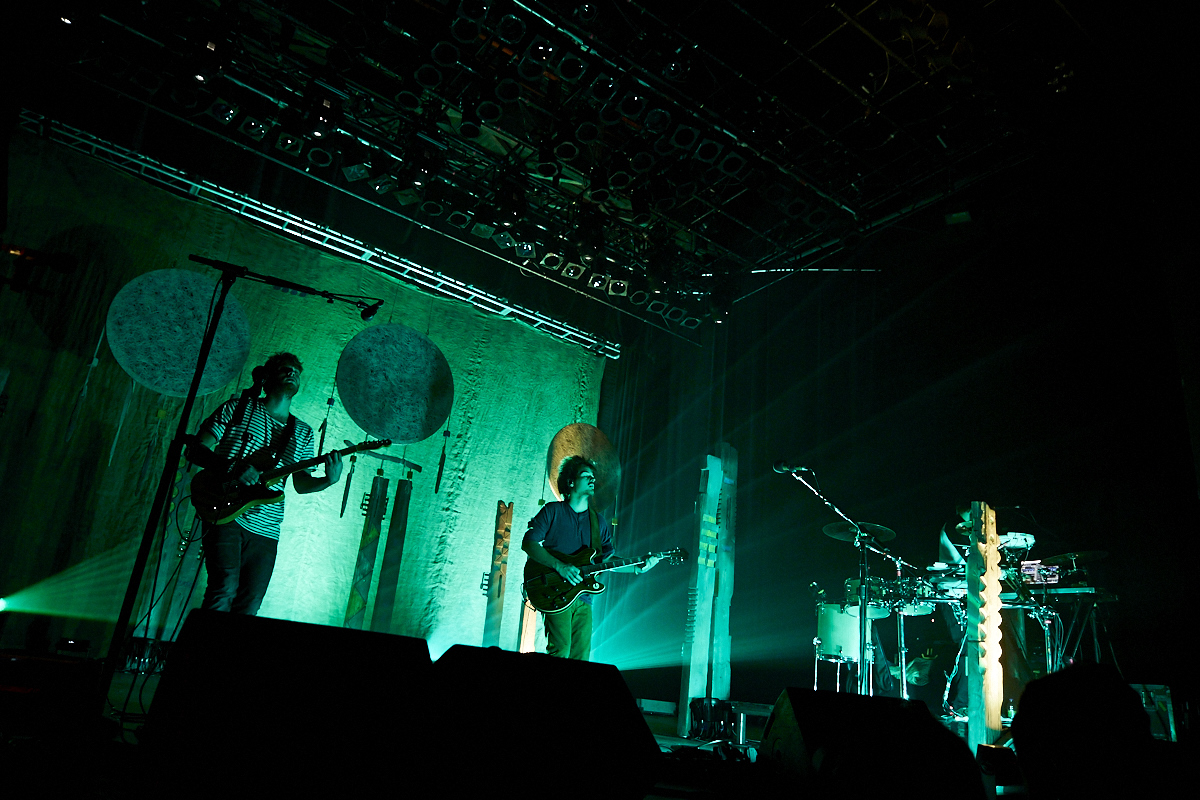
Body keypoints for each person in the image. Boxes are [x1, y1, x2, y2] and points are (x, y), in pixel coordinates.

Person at [186, 352, 342, 615]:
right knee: (223, 588)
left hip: (267, 529)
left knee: (250, 603)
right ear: (267, 377)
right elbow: (195, 449)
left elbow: (301, 484)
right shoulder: (238, 408)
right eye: (285, 369)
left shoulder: (303, 432)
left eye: (296, 371)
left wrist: (328, 480)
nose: (292, 373)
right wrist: (233, 467)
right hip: (225, 510)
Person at [521, 455, 659, 660]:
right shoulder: (553, 511)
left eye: (593, 476)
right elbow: (529, 543)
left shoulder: (598, 522)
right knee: (561, 650)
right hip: (554, 591)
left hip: (583, 596)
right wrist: (560, 567)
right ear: (571, 482)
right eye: (586, 475)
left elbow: (606, 561)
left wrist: (638, 567)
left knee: (581, 656)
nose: (592, 479)